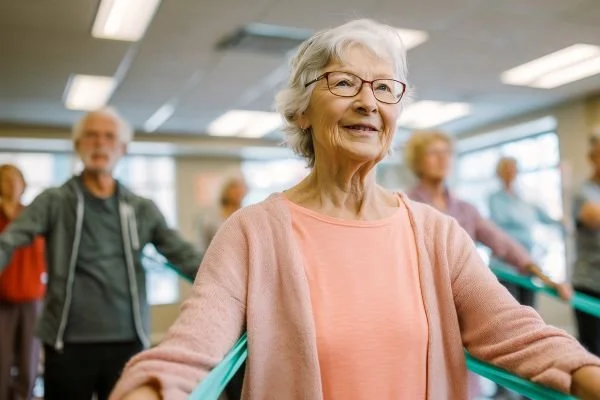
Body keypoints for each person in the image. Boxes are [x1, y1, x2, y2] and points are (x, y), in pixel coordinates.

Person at [110, 19, 600, 400]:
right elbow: (192, 346)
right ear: (301, 109)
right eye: (344, 83)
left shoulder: (436, 233)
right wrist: (150, 386)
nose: (368, 102)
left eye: (385, 88)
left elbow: (514, 332)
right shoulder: (252, 233)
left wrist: (586, 372)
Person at [0, 107, 203, 400]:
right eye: (91, 136)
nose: (99, 143)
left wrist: (234, 286)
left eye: (109, 137)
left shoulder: (140, 208)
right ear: (77, 145)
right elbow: (9, 241)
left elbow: (184, 255)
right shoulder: (54, 202)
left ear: (122, 149)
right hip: (66, 344)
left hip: (128, 342)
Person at [405, 130, 571, 300]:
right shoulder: (406, 206)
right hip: (423, 298)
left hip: (462, 296)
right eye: (433, 153)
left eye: (446, 152)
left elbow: (503, 243)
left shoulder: (466, 210)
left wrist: (546, 278)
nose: (442, 158)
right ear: (417, 161)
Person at [489, 156, 564, 308]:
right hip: (505, 267)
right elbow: (505, 223)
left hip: (528, 266)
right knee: (511, 312)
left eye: (513, 169)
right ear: (499, 173)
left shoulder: (525, 199)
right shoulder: (494, 199)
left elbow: (544, 217)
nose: (510, 173)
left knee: (530, 311)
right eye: (506, 169)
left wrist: (563, 221)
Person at [198, 176, 248, 400]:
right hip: (221, 290)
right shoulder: (212, 219)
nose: (239, 193)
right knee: (221, 349)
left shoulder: (249, 216)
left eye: (242, 189)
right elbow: (204, 256)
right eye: (235, 189)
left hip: (246, 294)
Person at [0, 164, 46, 400]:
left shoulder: (34, 218)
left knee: (29, 362)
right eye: (4, 179)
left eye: (14, 179)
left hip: (32, 299)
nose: (9, 184)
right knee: (1, 360)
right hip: (2, 302)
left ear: (23, 184)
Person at [572, 135, 600, 356]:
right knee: (592, 353)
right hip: (589, 284)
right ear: (593, 158)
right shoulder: (583, 192)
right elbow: (593, 216)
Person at [199, 177, 248, 251]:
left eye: (240, 187)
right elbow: (203, 244)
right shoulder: (211, 217)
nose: (238, 191)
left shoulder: (246, 216)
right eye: (234, 187)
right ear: (225, 190)